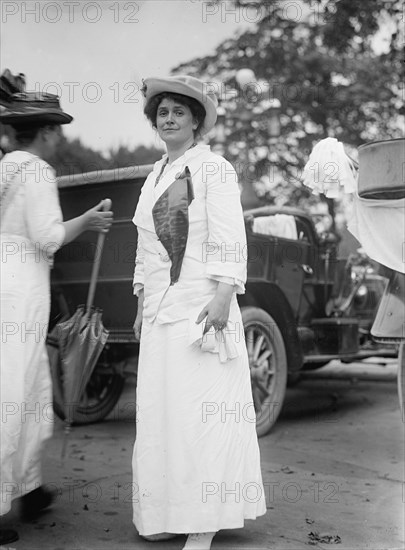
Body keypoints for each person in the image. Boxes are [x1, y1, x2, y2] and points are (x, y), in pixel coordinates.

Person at [132, 75, 266, 550]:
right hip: (160, 310)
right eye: (162, 112)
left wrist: (224, 296)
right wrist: (141, 299)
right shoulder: (154, 174)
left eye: (178, 112)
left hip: (203, 305)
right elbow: (146, 245)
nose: (168, 119)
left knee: (201, 416)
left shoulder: (214, 169)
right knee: (162, 414)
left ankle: (205, 520)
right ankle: (170, 510)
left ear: (196, 122)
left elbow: (232, 235)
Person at [0, 92, 113, 545]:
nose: (59, 137)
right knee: (14, 385)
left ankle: (28, 486)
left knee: (26, 381)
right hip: (22, 283)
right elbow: (47, 237)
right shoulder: (37, 170)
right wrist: (86, 220)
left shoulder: (3, 166)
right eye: (57, 130)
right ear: (45, 131)